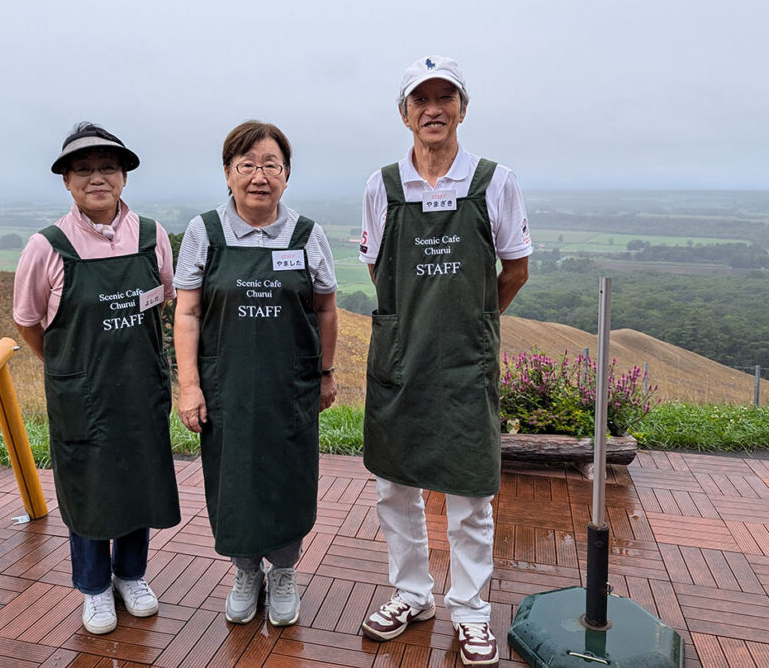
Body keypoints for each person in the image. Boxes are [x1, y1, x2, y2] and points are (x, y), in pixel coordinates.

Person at [358, 56, 531, 665]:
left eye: (445, 97)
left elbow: (515, 270)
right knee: (394, 486)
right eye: (420, 99)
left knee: (470, 493)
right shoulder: (382, 186)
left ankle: (471, 609)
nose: (433, 109)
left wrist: (474, 323)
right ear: (404, 114)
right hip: (399, 359)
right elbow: (380, 270)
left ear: (462, 107)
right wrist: (413, 324)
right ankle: (411, 593)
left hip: (464, 361)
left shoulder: (496, 181)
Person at [13, 122, 181, 635]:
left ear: (125, 177)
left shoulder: (152, 237)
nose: (97, 178)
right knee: (88, 487)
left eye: (108, 167)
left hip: (140, 387)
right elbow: (27, 322)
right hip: (81, 394)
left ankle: (131, 575)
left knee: (139, 478)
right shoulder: (47, 246)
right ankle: (94, 588)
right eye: (82, 169)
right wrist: (68, 367)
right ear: (66, 181)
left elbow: (166, 299)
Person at [173, 120, 338, 627]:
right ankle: (246, 571)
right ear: (228, 173)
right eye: (247, 165)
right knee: (234, 481)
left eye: (271, 165)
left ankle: (284, 571)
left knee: (289, 479)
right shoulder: (206, 231)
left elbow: (326, 309)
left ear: (286, 175)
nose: (259, 176)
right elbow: (187, 312)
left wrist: (326, 373)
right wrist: (191, 385)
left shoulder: (307, 234)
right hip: (227, 389)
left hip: (289, 387)